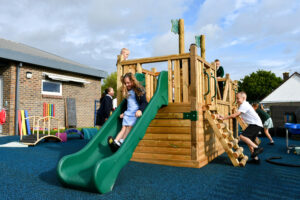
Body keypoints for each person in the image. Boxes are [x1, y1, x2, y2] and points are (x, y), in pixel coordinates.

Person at [218, 91, 263, 164]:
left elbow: (235, 115)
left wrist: (223, 118)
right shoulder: (245, 105)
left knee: (242, 136)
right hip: (256, 124)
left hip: (255, 124)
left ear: (244, 98)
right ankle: (256, 159)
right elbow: (237, 114)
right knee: (249, 142)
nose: (237, 100)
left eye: (238, 98)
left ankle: (257, 148)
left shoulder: (244, 105)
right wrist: (226, 116)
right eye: (236, 98)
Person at [107, 72, 148, 152]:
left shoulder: (139, 90)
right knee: (123, 128)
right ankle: (115, 142)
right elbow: (126, 104)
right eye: (125, 83)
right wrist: (123, 112)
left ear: (133, 81)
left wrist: (140, 110)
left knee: (129, 127)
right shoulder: (127, 91)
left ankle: (121, 142)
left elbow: (144, 102)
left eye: (128, 83)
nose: (127, 85)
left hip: (134, 113)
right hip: (128, 113)